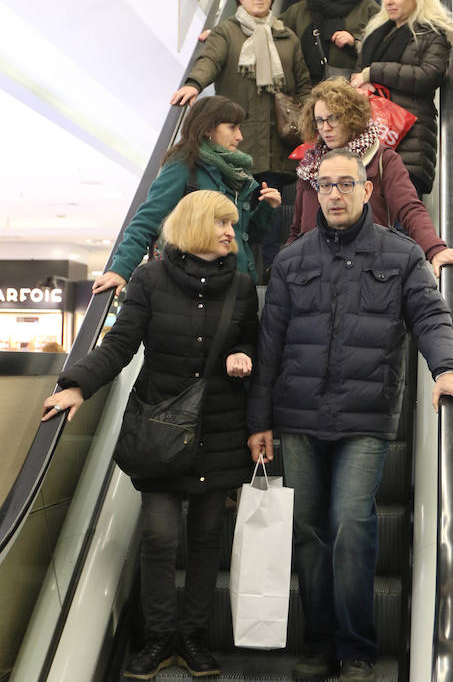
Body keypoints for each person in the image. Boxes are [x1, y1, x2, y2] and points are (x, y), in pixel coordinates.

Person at [247, 148, 453, 682]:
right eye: (325, 185)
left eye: (346, 184)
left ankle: (356, 650)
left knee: (351, 525)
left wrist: (447, 368)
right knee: (308, 531)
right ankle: (321, 642)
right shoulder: (292, 259)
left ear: (368, 190)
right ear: (315, 191)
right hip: (298, 419)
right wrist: (259, 420)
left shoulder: (400, 256)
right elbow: (269, 345)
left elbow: (431, 316)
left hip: (365, 421)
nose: (335, 194)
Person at [43, 190, 259, 680]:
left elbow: (252, 337)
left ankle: (194, 636)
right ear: (197, 227)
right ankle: (158, 637)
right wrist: (78, 385)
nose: (231, 233)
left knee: (206, 540)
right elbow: (121, 342)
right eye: (223, 224)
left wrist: (243, 354)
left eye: (232, 224)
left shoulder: (242, 286)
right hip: (159, 430)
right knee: (160, 538)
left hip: (220, 427)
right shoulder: (149, 278)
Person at [92, 96, 281, 294]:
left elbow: (242, 236)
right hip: (193, 288)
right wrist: (120, 270)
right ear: (208, 128)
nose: (240, 136)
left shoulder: (237, 173)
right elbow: (146, 220)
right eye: (232, 127)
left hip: (235, 287)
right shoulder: (184, 165)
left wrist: (267, 207)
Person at [287, 77, 453, 278]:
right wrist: (285, 264)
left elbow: (409, 207)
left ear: (351, 116)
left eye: (333, 118)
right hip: (314, 273)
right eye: (319, 120)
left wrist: (434, 249)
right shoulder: (310, 164)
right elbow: (297, 229)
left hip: (365, 272)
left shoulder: (381, 158)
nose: (325, 127)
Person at [170, 0, 311, 189]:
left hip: (280, 149)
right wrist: (194, 84)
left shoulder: (288, 37)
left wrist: (302, 119)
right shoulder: (226, 32)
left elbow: (304, 86)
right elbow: (210, 60)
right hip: (236, 143)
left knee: (270, 212)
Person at [351, 0, 453, 197]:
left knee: (400, 227)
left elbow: (428, 76)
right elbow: (360, 73)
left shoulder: (432, 32)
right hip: (371, 142)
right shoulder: (376, 32)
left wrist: (375, 72)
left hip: (409, 144)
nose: (388, 1)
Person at [279, 0, 379, 82]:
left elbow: (383, 50)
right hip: (307, 92)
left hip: (354, 91)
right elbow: (276, 37)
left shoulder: (367, 8)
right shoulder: (299, 10)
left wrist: (355, 43)